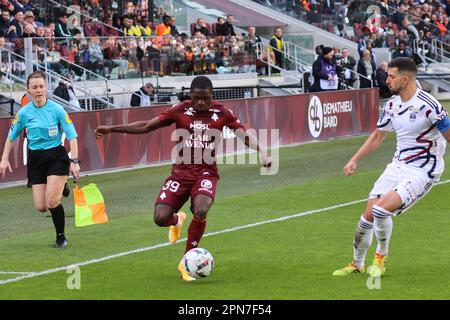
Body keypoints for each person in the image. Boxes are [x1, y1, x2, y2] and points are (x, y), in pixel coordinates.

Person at [95, 76, 271, 281]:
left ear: (211, 96)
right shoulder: (179, 110)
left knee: (202, 208)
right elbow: (145, 126)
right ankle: (177, 220)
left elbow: (243, 134)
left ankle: (186, 263)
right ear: (191, 95)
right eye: (197, 98)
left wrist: (263, 151)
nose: (201, 103)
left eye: (205, 98)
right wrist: (112, 129)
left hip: (206, 172)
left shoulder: (222, 112)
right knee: (160, 218)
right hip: (181, 173)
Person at [332, 57, 450, 277]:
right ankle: (357, 264)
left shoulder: (429, 105)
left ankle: (380, 258)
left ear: (405, 79)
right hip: (398, 165)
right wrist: (354, 159)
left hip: (423, 170)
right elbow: (378, 136)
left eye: (392, 76)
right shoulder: (392, 105)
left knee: (380, 210)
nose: (387, 80)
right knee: (367, 216)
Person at [0, 71, 80, 248]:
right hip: (36, 160)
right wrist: (4, 158)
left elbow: (72, 136)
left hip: (56, 157)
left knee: (52, 201)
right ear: (28, 90)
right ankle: (62, 186)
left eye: (41, 86)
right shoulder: (23, 113)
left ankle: (61, 237)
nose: (38, 90)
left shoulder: (57, 109)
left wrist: (74, 161)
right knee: (41, 206)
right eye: (34, 87)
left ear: (46, 88)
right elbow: (11, 137)